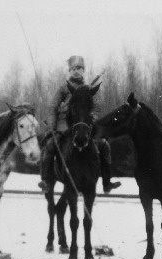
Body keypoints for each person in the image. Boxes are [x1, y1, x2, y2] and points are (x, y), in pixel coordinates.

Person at [39, 55, 121, 194]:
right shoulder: (64, 89)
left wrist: (91, 119)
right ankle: (46, 180)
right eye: (73, 69)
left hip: (84, 126)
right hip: (63, 125)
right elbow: (52, 107)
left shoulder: (89, 89)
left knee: (104, 146)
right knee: (50, 145)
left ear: (83, 71)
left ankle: (106, 182)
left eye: (79, 68)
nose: (76, 71)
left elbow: (96, 107)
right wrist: (52, 128)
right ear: (69, 71)